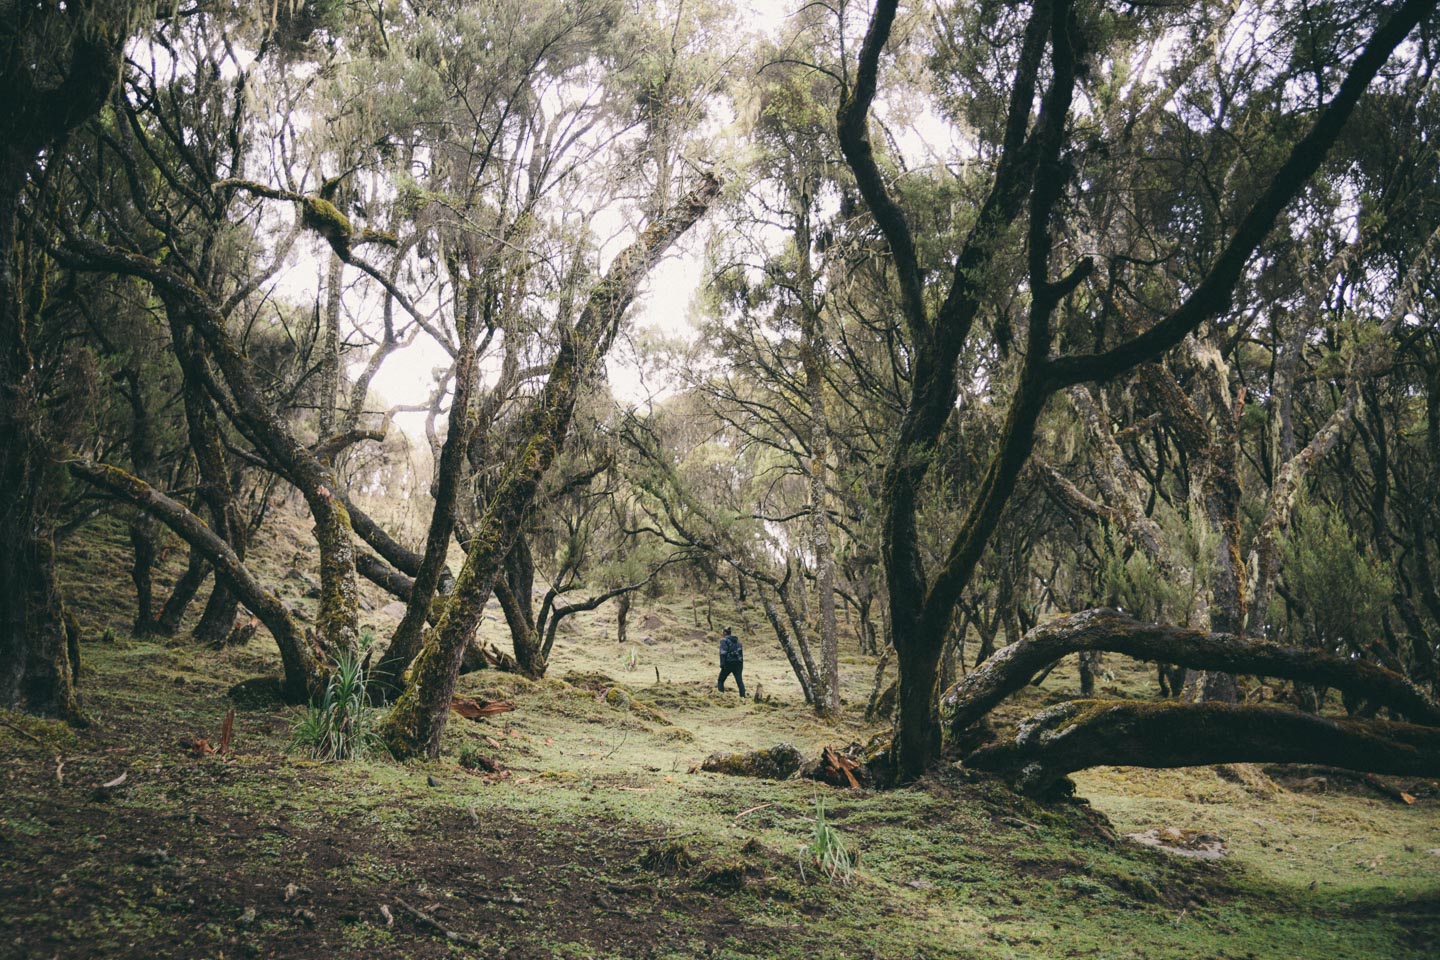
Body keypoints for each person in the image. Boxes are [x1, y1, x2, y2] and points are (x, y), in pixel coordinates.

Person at [716, 626, 745, 697]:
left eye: (723, 632)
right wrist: (741, 666)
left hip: (728, 663)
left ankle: (720, 696)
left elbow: (723, 653)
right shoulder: (738, 642)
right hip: (738, 664)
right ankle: (743, 697)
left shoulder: (724, 640)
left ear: (725, 633)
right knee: (739, 681)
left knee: (720, 680)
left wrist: (722, 664)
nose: (722, 634)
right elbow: (741, 654)